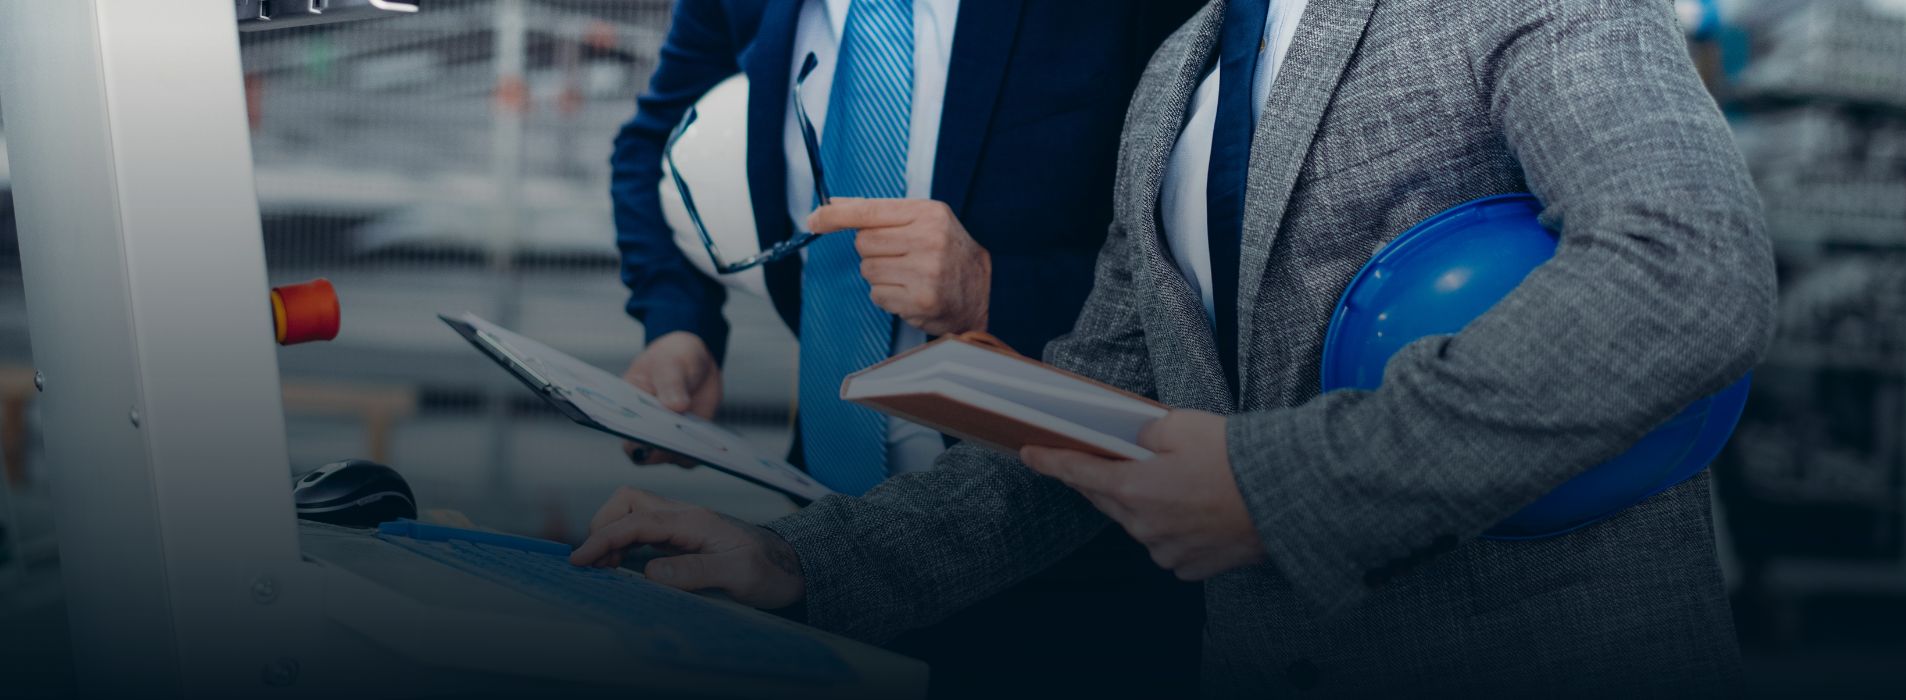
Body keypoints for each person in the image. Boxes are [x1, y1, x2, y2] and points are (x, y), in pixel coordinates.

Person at [585, 0, 1776, 695]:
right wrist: (803, 562)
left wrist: (1277, 484)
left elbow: (1689, 265)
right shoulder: (1182, 73)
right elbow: (1101, 404)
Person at [607, 0, 1207, 694]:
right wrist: (679, 323)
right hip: (814, 532)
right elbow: (652, 144)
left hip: (1064, 551)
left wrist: (995, 291)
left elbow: (1209, 267)